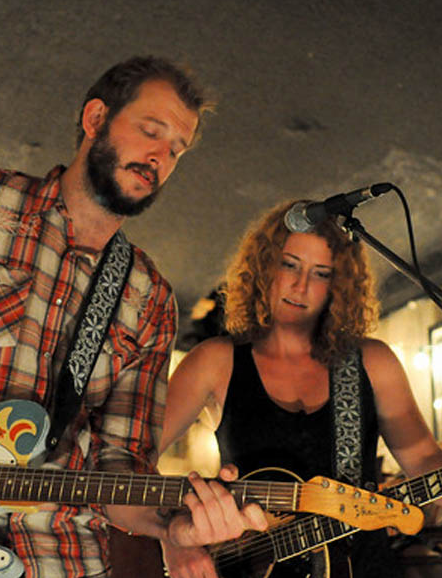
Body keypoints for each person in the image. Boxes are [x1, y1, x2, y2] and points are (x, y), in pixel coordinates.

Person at [0, 56, 267, 578]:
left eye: (175, 150)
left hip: (59, 558)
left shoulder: (149, 297)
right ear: (94, 120)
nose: (160, 157)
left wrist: (176, 528)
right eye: (151, 132)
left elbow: (121, 472)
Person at [160, 200, 442, 578]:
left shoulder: (373, 362)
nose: (300, 285)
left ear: (338, 286)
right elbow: (131, 457)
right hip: (247, 566)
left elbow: (425, 460)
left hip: (362, 568)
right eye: (289, 264)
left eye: (321, 273)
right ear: (264, 266)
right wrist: (173, 541)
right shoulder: (216, 361)